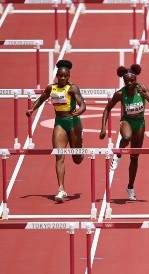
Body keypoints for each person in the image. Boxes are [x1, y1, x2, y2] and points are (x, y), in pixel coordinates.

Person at [26, 59, 86, 202]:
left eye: (66, 76)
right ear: (57, 76)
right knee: (59, 155)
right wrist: (32, 109)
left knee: (77, 159)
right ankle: (61, 189)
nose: (63, 78)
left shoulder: (72, 88)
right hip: (59, 123)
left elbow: (83, 104)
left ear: (69, 77)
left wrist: (79, 112)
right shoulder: (50, 88)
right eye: (60, 76)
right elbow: (41, 99)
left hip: (73, 122)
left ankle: (80, 146)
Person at [99, 64, 149, 201]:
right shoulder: (120, 93)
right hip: (127, 121)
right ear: (124, 82)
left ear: (136, 79)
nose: (130, 83)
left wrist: (145, 94)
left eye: (132, 81)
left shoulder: (141, 88)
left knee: (135, 158)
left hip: (140, 123)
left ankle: (130, 187)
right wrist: (103, 127)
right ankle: (118, 154)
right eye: (127, 82)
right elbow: (107, 109)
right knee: (126, 137)